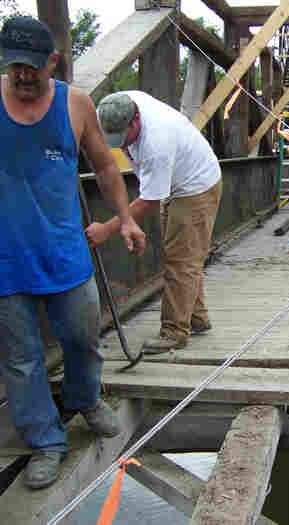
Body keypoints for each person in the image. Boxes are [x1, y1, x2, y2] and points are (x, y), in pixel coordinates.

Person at [0, 16, 146, 489]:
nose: (22, 76)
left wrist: (123, 217)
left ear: (53, 62)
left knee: (83, 338)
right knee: (21, 359)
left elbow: (105, 165)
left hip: (65, 250)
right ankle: (45, 440)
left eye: (31, 68)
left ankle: (86, 399)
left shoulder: (75, 103)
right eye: (13, 67)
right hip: (5, 259)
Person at [89, 90, 222, 353]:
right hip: (176, 181)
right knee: (183, 253)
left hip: (195, 187)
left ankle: (174, 331)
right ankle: (197, 316)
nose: (120, 146)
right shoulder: (112, 108)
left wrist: (106, 229)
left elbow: (148, 202)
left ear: (135, 120)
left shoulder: (156, 142)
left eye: (123, 138)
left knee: (181, 260)